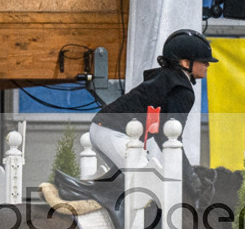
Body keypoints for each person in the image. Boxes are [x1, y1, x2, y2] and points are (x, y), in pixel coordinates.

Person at [89, 29, 217, 197]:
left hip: (101, 130)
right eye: (204, 61)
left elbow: (161, 134)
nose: (208, 65)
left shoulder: (165, 79)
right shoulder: (182, 89)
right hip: (115, 134)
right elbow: (170, 137)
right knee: (150, 189)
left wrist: (186, 173)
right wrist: (190, 178)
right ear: (186, 63)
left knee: (130, 188)